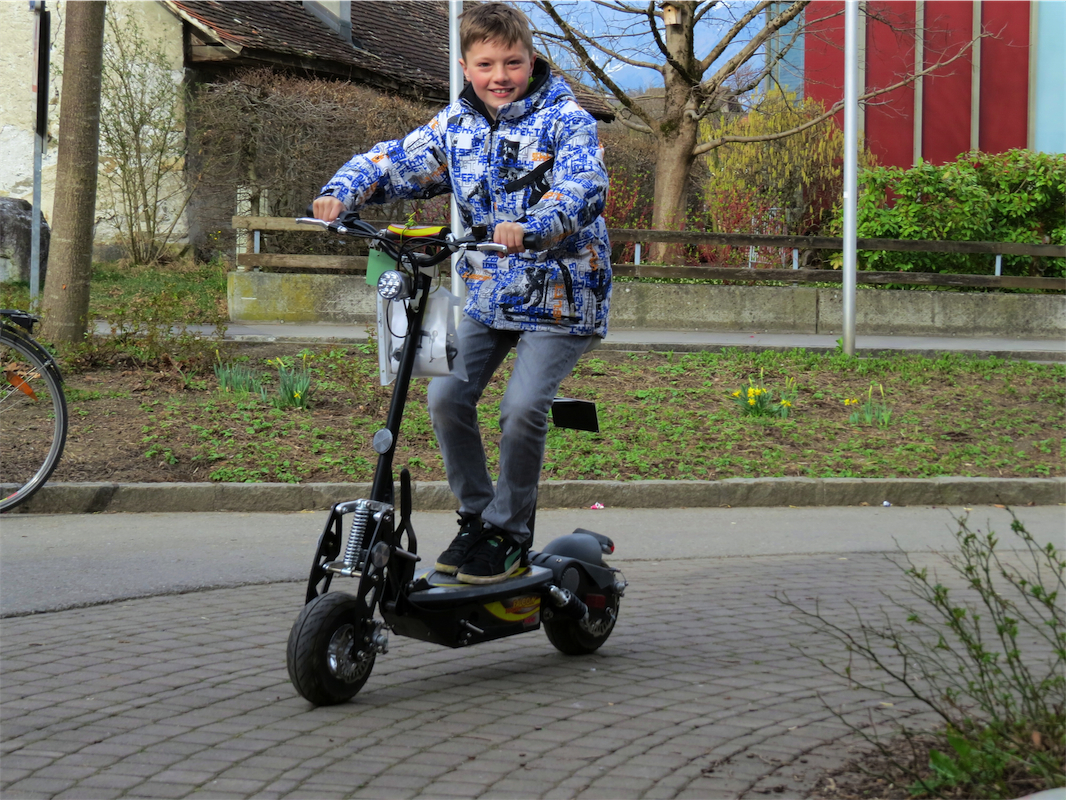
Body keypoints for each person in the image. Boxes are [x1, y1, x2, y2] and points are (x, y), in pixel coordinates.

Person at [312, 2, 611, 585]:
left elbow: (583, 184)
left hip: (561, 293)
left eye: (512, 62)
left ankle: (509, 532)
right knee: (445, 397)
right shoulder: (456, 125)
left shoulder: (566, 119)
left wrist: (534, 225)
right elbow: (396, 160)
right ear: (465, 66)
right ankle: (478, 518)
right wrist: (343, 191)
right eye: (486, 64)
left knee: (521, 408)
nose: (500, 75)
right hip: (489, 291)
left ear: (531, 59)